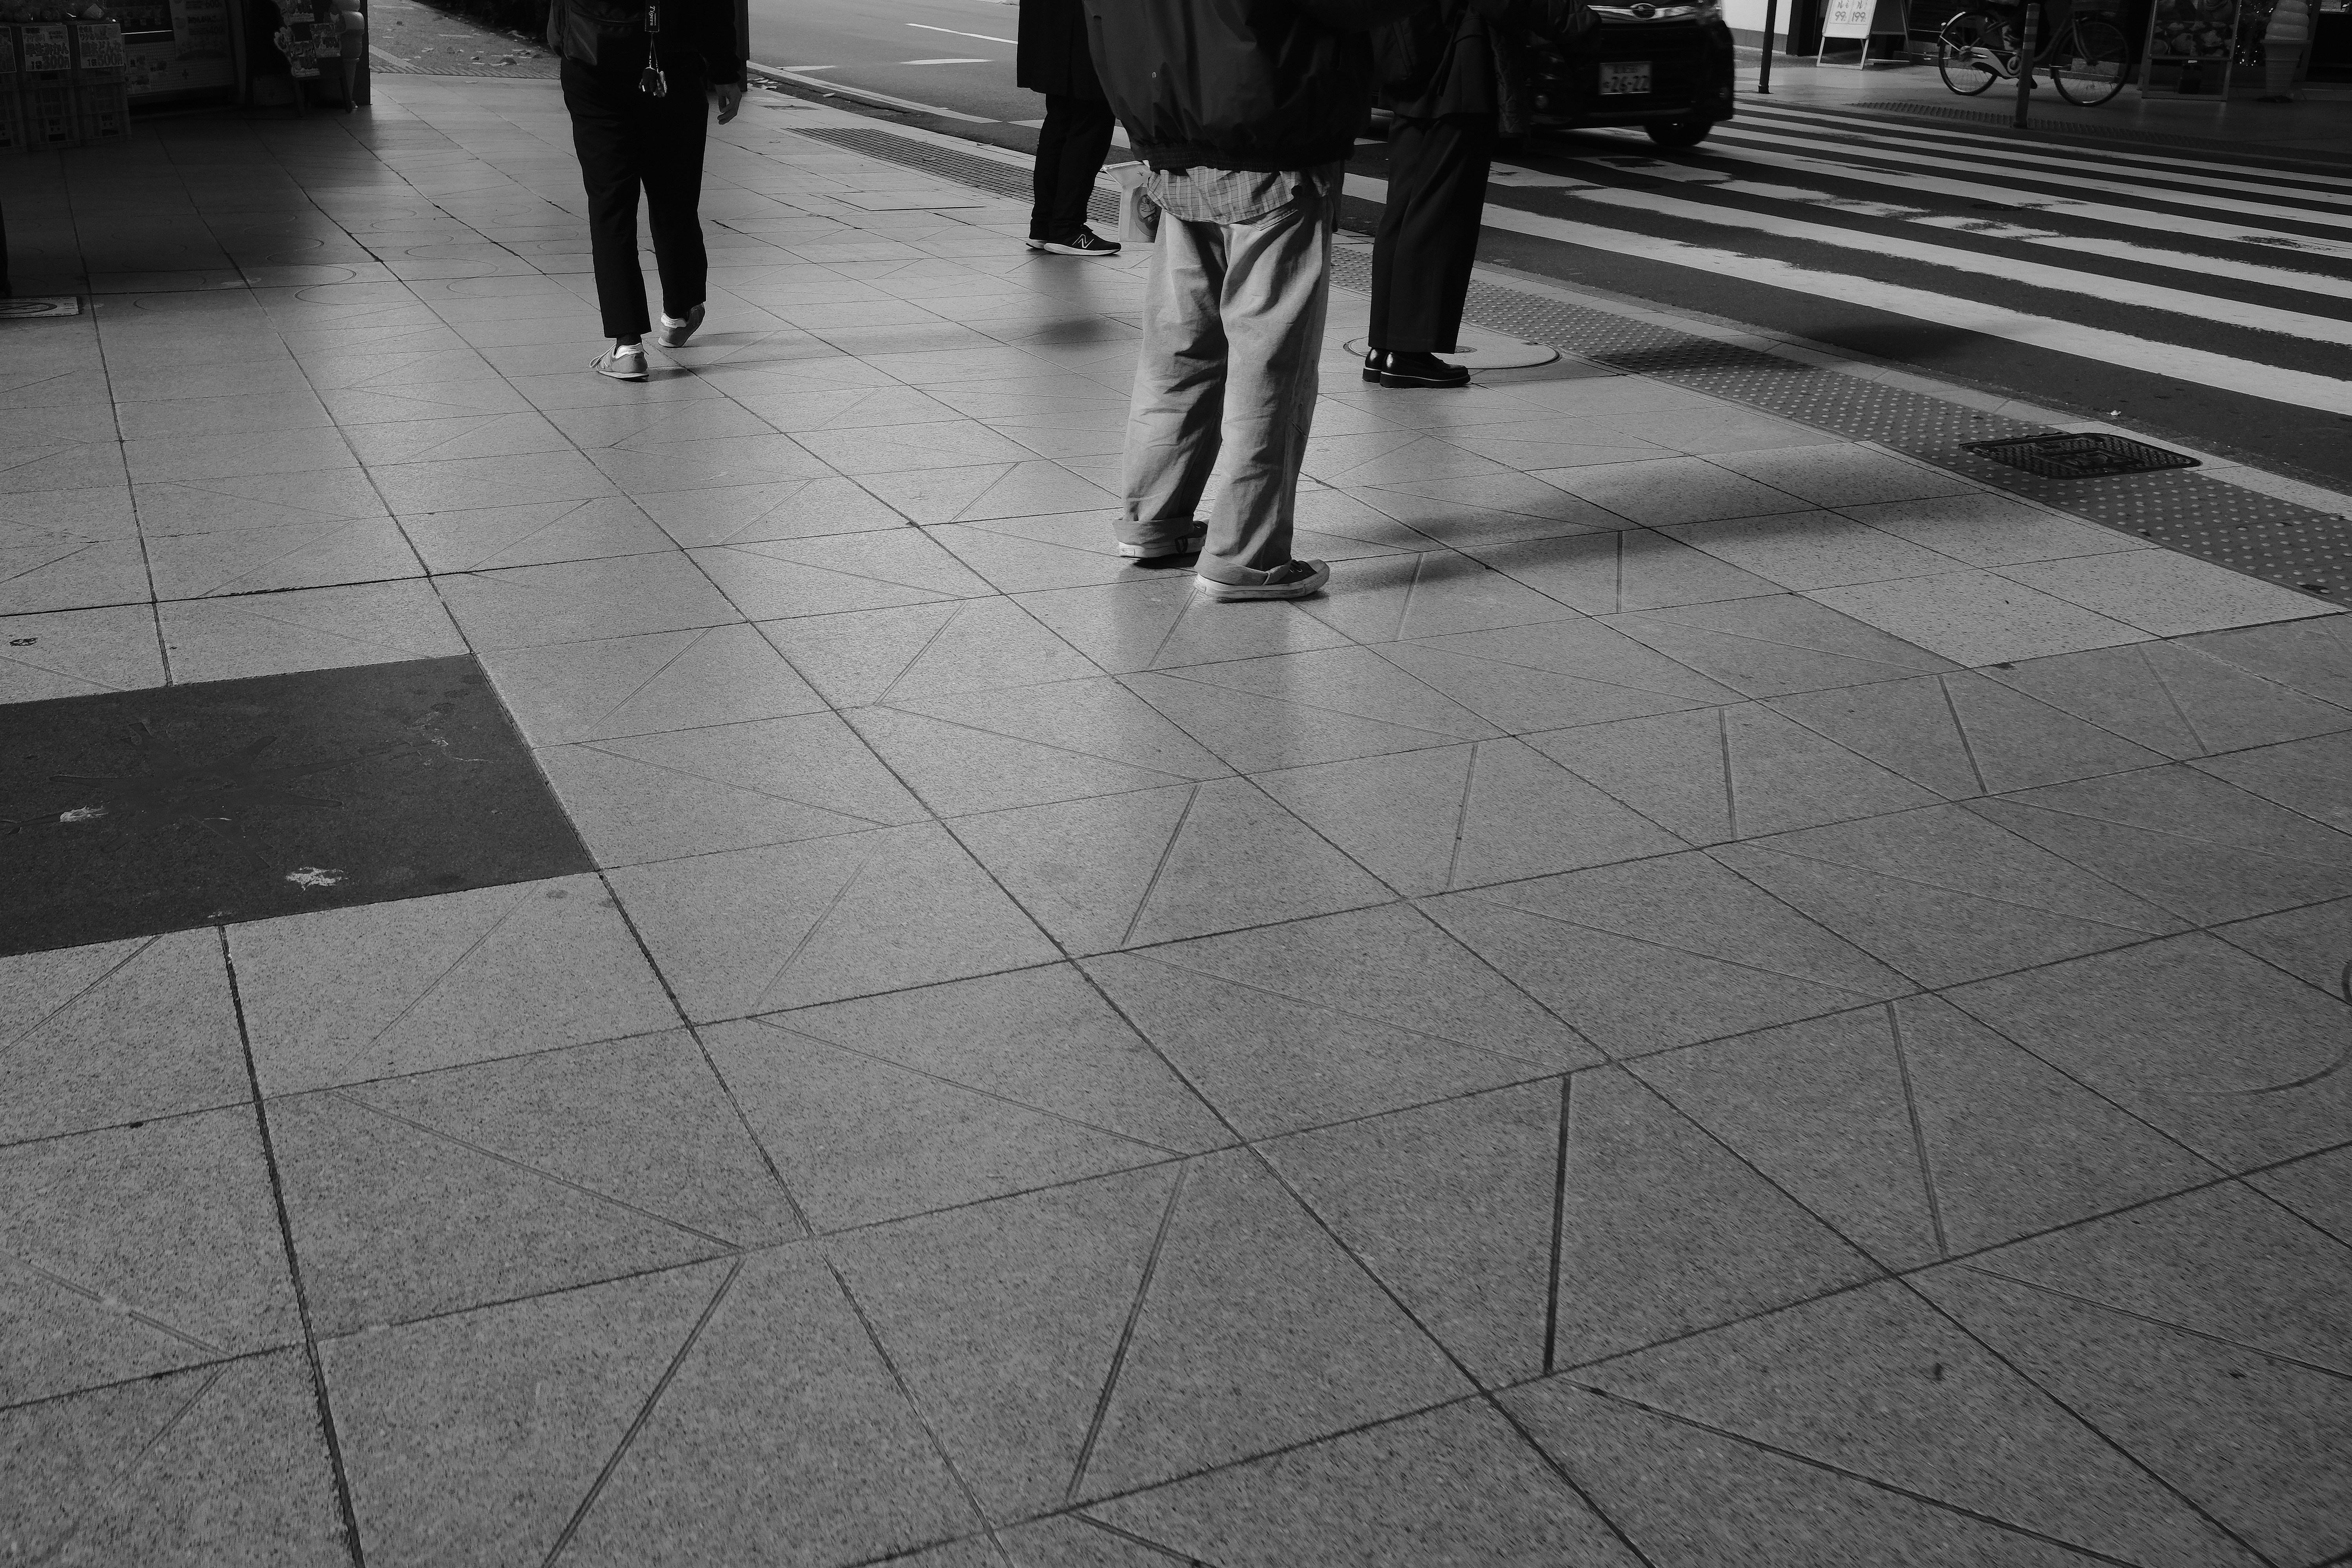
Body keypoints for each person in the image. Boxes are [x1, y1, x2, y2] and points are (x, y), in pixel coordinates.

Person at [1086, 0, 1428, 602]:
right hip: (1272, 125)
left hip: (1167, 129)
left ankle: (1153, 521)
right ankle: (1247, 555)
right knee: (1271, 360)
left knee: (1178, 347)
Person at [1367, 0, 1589, 390]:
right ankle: (1408, 352)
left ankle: (1386, 346)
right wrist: (1580, 22)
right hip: (1457, 69)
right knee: (1440, 215)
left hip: (1412, 60)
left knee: (1404, 210)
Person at [546, 0, 744, 380]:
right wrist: (724, 71)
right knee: (675, 195)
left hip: (591, 64)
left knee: (610, 204)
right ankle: (679, 314)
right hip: (672, 65)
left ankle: (627, 347)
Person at [1019, 0, 1121, 256]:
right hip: (1087, 18)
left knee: (1061, 117)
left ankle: (1044, 225)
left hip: (1053, 19)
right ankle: (1067, 228)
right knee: (1093, 117)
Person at [2260, 0, 2316, 99]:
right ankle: (2278, 93)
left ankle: (2275, 93)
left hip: (2276, 31)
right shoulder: (2299, 9)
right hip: (2296, 33)